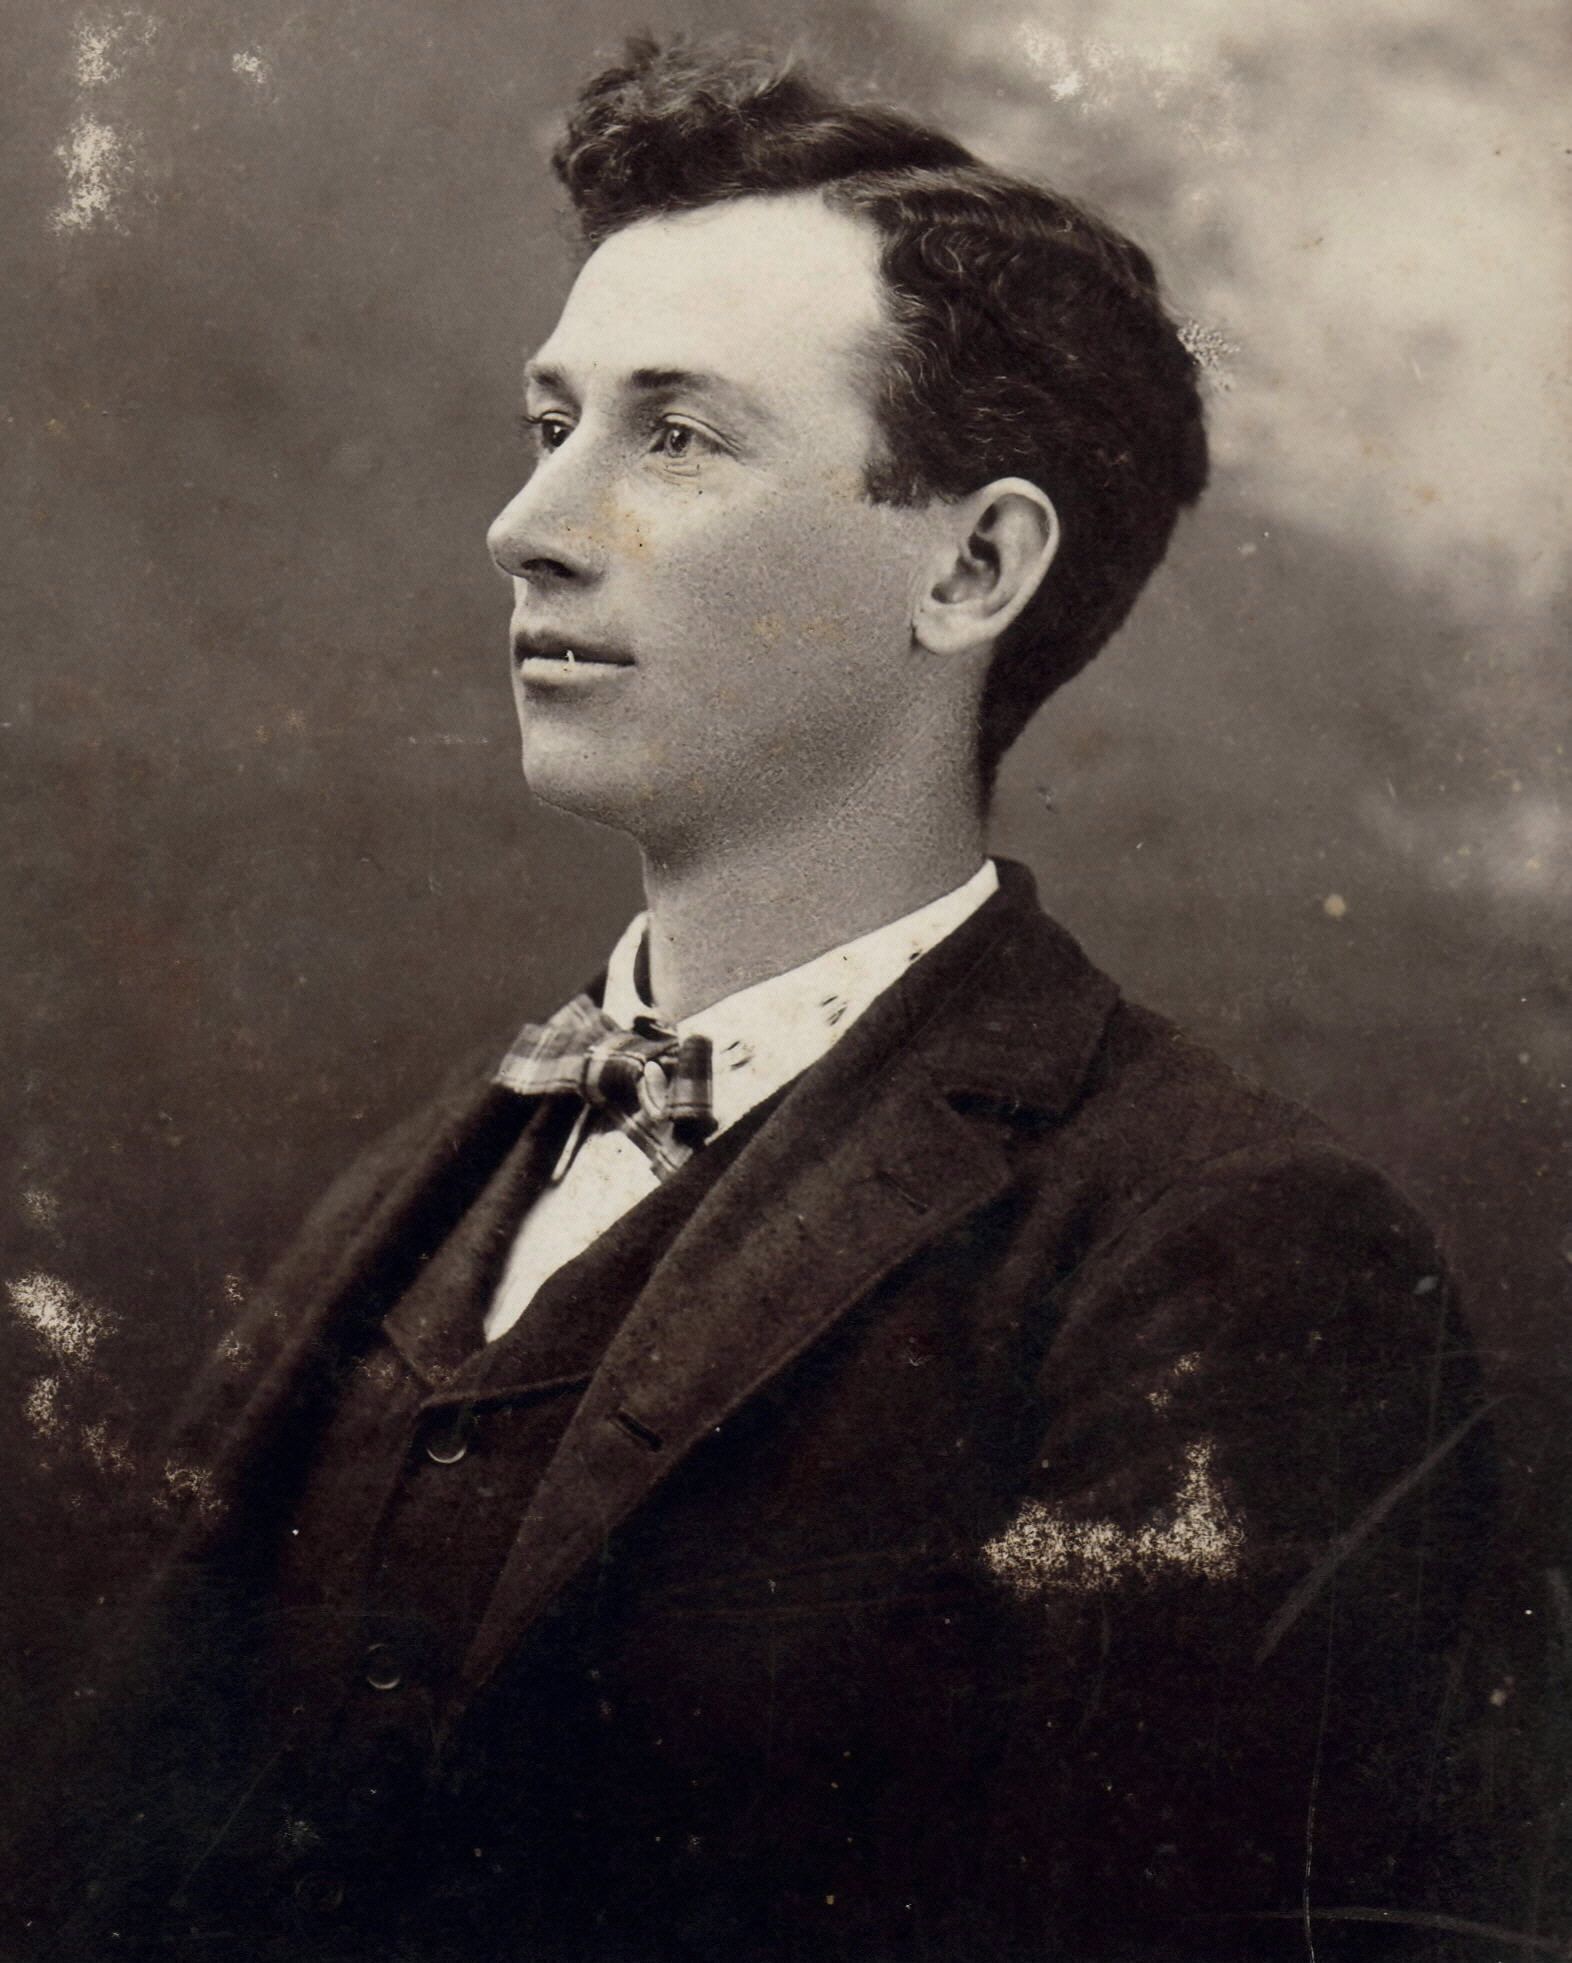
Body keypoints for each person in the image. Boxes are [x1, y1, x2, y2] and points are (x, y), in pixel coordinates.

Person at [23, 35, 1494, 1963]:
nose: (527, 523)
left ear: (973, 565)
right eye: (549, 423)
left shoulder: (1216, 1253)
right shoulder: (417, 1182)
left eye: (679, 438)